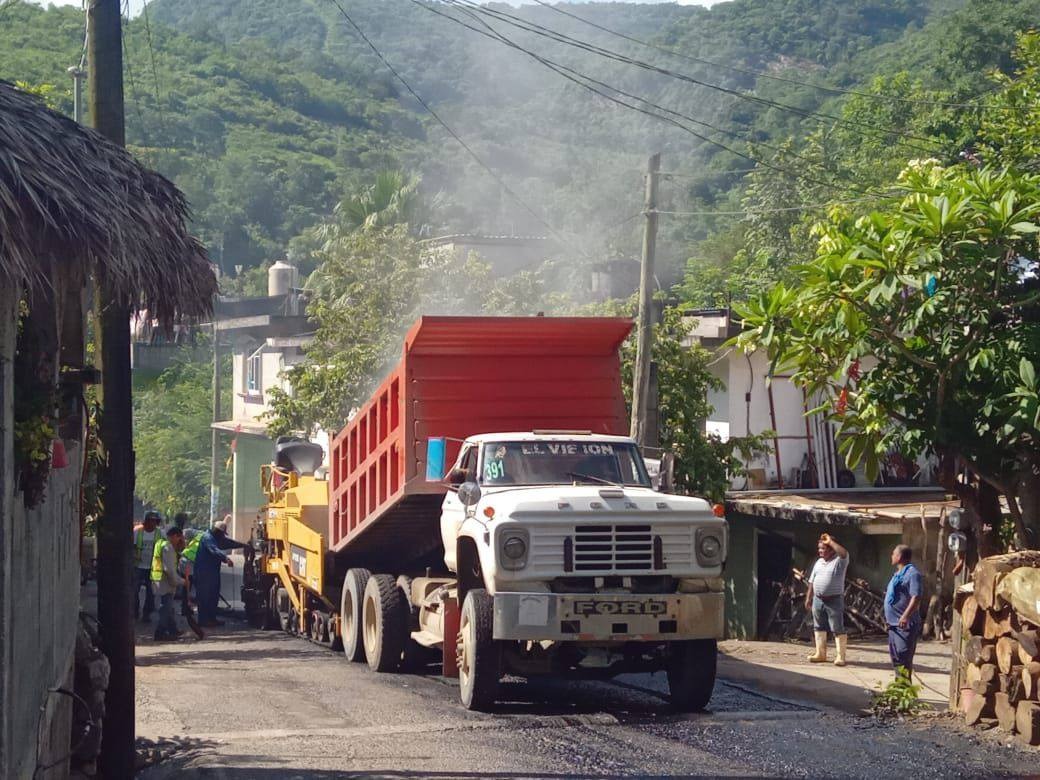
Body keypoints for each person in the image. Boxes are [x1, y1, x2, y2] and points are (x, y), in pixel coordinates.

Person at [194, 518, 251, 627]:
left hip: (212, 572)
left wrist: (244, 545)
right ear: (218, 532)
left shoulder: (216, 538)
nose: (223, 537)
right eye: (222, 534)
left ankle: (211, 619)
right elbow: (214, 550)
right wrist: (226, 558)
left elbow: (228, 543)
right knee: (204, 597)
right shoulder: (208, 538)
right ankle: (203, 621)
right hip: (204, 573)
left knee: (213, 596)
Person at [804, 533, 850, 666]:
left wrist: (830, 541)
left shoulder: (839, 562)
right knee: (818, 626)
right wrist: (808, 597)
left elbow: (844, 553)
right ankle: (820, 653)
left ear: (830, 549)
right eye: (819, 548)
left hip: (834, 600)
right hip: (818, 599)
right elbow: (812, 581)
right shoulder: (818, 562)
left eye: (823, 548)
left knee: (837, 627)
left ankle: (841, 656)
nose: (820, 551)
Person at [885, 544, 923, 679]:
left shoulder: (912, 574)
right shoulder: (897, 575)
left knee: (903, 658)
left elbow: (916, 596)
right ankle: (898, 690)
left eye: (893, 553)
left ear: (899, 557)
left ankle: (905, 692)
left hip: (904, 625)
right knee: (896, 659)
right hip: (893, 625)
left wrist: (905, 616)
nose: (892, 556)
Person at [151, 526, 186, 641]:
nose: (179, 541)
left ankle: (173, 629)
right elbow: (169, 569)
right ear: (174, 536)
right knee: (166, 608)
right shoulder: (168, 547)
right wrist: (181, 581)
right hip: (165, 581)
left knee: (169, 607)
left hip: (159, 580)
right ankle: (160, 632)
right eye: (179, 538)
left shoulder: (160, 543)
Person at [133, 510, 162, 622]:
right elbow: (133, 547)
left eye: (155, 521)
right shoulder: (137, 532)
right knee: (134, 591)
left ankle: (147, 613)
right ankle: (135, 611)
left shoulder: (160, 533)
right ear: (145, 521)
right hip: (138, 566)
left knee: (151, 593)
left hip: (153, 567)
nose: (152, 523)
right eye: (150, 521)